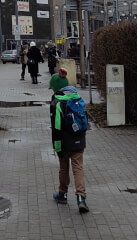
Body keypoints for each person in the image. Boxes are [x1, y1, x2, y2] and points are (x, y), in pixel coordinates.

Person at [51, 85, 89, 213]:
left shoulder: (58, 103)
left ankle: (62, 194)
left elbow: (56, 127)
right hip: (79, 140)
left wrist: (57, 146)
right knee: (78, 168)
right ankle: (81, 198)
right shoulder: (78, 99)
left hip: (64, 141)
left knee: (64, 167)